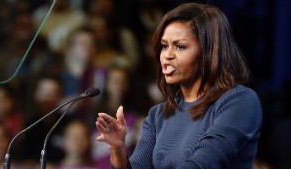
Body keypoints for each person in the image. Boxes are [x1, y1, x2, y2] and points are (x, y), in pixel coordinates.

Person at [95, 3, 263, 169]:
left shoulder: (240, 101)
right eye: (164, 46)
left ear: (209, 52)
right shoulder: (158, 116)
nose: (167, 55)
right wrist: (117, 149)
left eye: (180, 46)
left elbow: (204, 163)